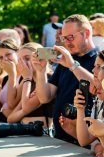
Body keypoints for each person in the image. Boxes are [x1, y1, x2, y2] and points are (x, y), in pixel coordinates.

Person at [32, 14, 98, 143]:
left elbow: (97, 88)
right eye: (64, 38)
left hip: (86, 143)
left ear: (86, 33)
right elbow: (45, 97)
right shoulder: (67, 60)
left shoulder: (101, 59)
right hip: (60, 138)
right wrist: (40, 72)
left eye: (71, 37)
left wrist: (72, 65)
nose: (67, 42)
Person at [7, 42, 54, 129]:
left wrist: (27, 78)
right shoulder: (28, 80)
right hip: (26, 130)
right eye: (20, 60)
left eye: (27, 58)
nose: (24, 63)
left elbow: (25, 107)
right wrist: (24, 111)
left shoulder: (49, 78)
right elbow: (10, 118)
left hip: (43, 135)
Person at [0, 39, 21, 121]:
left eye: (8, 54)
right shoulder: (4, 79)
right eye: (1, 57)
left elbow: (12, 105)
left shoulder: (26, 76)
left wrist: (12, 74)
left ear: (18, 54)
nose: (5, 59)